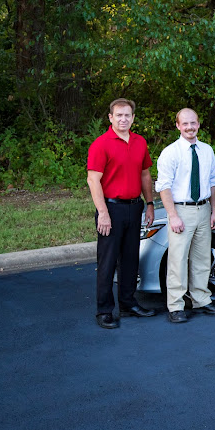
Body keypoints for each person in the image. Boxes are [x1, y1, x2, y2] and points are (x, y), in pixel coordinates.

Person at [87, 98, 156, 329]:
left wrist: (149, 204)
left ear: (133, 118)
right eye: (119, 115)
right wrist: (103, 213)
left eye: (127, 115)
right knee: (107, 262)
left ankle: (128, 304)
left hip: (134, 206)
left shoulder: (139, 142)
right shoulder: (101, 144)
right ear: (110, 117)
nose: (123, 119)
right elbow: (93, 180)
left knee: (130, 259)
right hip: (111, 208)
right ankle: (104, 310)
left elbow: (145, 175)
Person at [155, 108, 215, 323]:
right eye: (185, 124)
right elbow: (164, 187)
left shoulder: (207, 150)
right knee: (177, 259)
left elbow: (213, 181)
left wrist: (213, 210)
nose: (189, 127)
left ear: (198, 124)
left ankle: (201, 298)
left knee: (202, 258)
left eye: (193, 123)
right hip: (181, 210)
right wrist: (172, 215)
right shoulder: (170, 153)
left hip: (203, 209)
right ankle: (175, 305)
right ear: (178, 126)